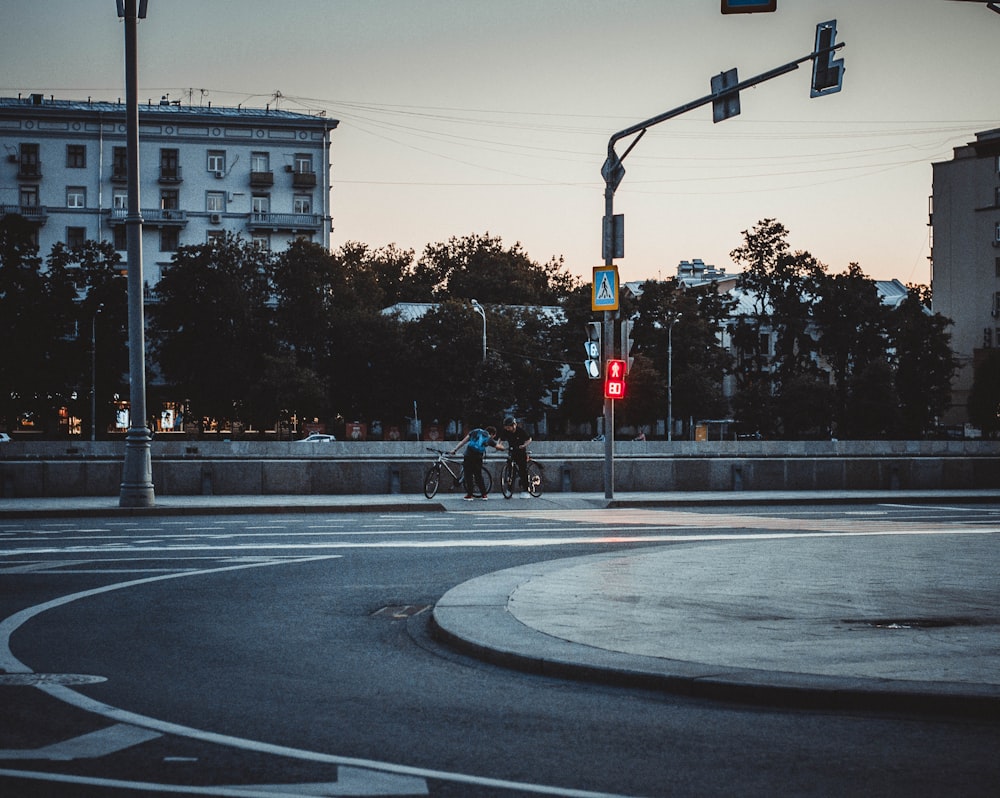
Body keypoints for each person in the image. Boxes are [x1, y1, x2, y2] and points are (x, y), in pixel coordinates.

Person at [450, 425, 498, 500]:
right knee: (478, 475)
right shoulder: (488, 438)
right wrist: (503, 448)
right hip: (478, 457)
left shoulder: (475, 431)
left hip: (469, 455)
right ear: (492, 434)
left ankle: (470, 495)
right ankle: (484, 495)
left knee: (468, 475)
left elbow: (463, 441)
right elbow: (499, 447)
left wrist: (455, 449)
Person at [498, 416, 532, 497]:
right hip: (512, 451)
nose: (507, 429)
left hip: (520, 452)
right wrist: (499, 446)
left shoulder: (520, 431)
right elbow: (501, 439)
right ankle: (509, 490)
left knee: (523, 471)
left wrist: (524, 445)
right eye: (506, 427)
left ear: (514, 425)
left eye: (509, 427)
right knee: (510, 472)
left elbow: (529, 439)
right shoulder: (505, 431)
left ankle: (525, 490)